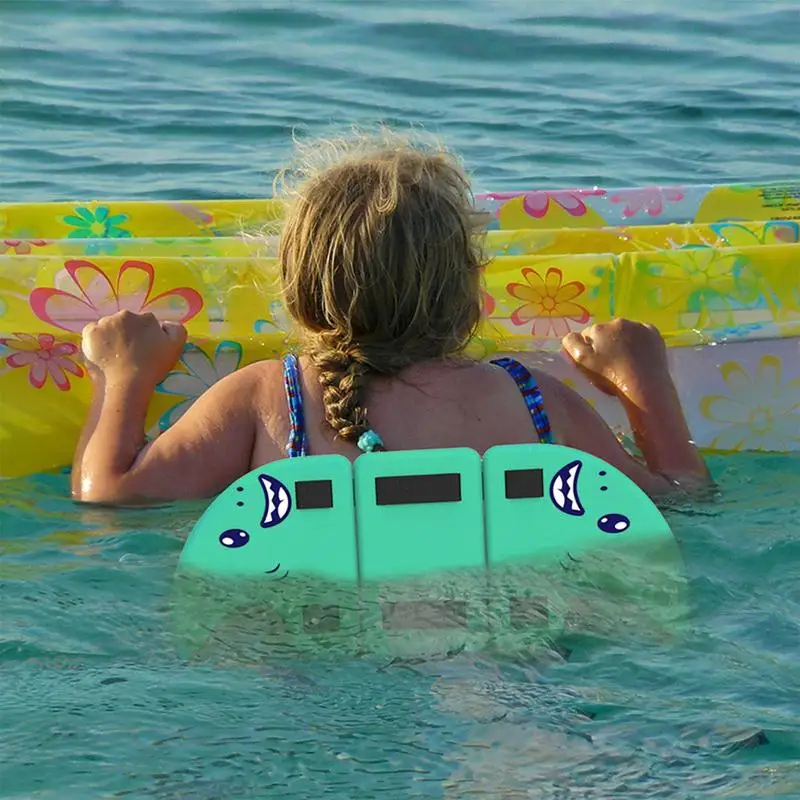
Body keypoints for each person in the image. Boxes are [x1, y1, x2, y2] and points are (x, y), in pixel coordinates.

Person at [71, 135, 710, 505]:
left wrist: (122, 375)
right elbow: (680, 497)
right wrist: (643, 383)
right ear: (469, 292)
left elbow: (110, 494)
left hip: (314, 654)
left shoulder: (269, 395)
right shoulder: (536, 400)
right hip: (512, 639)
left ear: (297, 289)